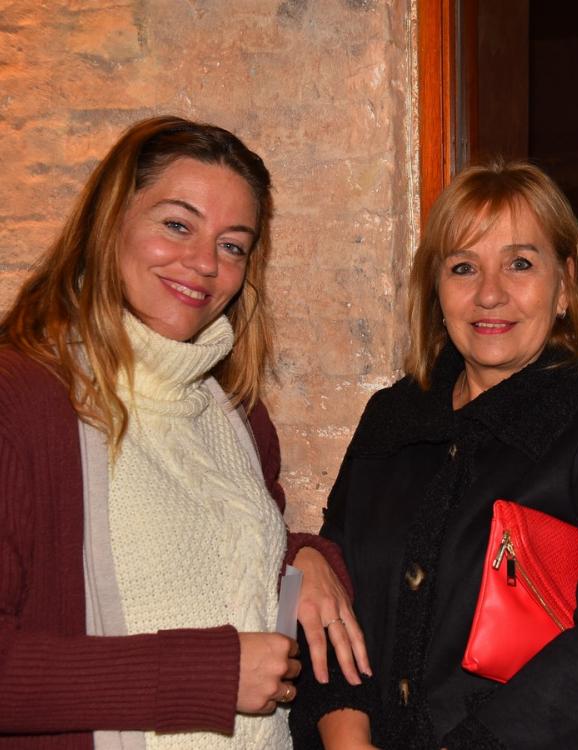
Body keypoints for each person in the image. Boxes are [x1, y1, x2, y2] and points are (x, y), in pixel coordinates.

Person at [290, 160, 578, 749]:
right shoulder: (393, 419)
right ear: (437, 289)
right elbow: (331, 598)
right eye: (463, 267)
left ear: (567, 284)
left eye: (520, 263)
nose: (489, 293)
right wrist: (346, 737)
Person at [0, 116, 366, 749]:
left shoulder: (236, 414)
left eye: (232, 245)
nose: (203, 263)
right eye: (177, 225)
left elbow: (223, 554)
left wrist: (301, 558)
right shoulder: (21, 400)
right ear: (108, 222)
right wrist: (206, 674)